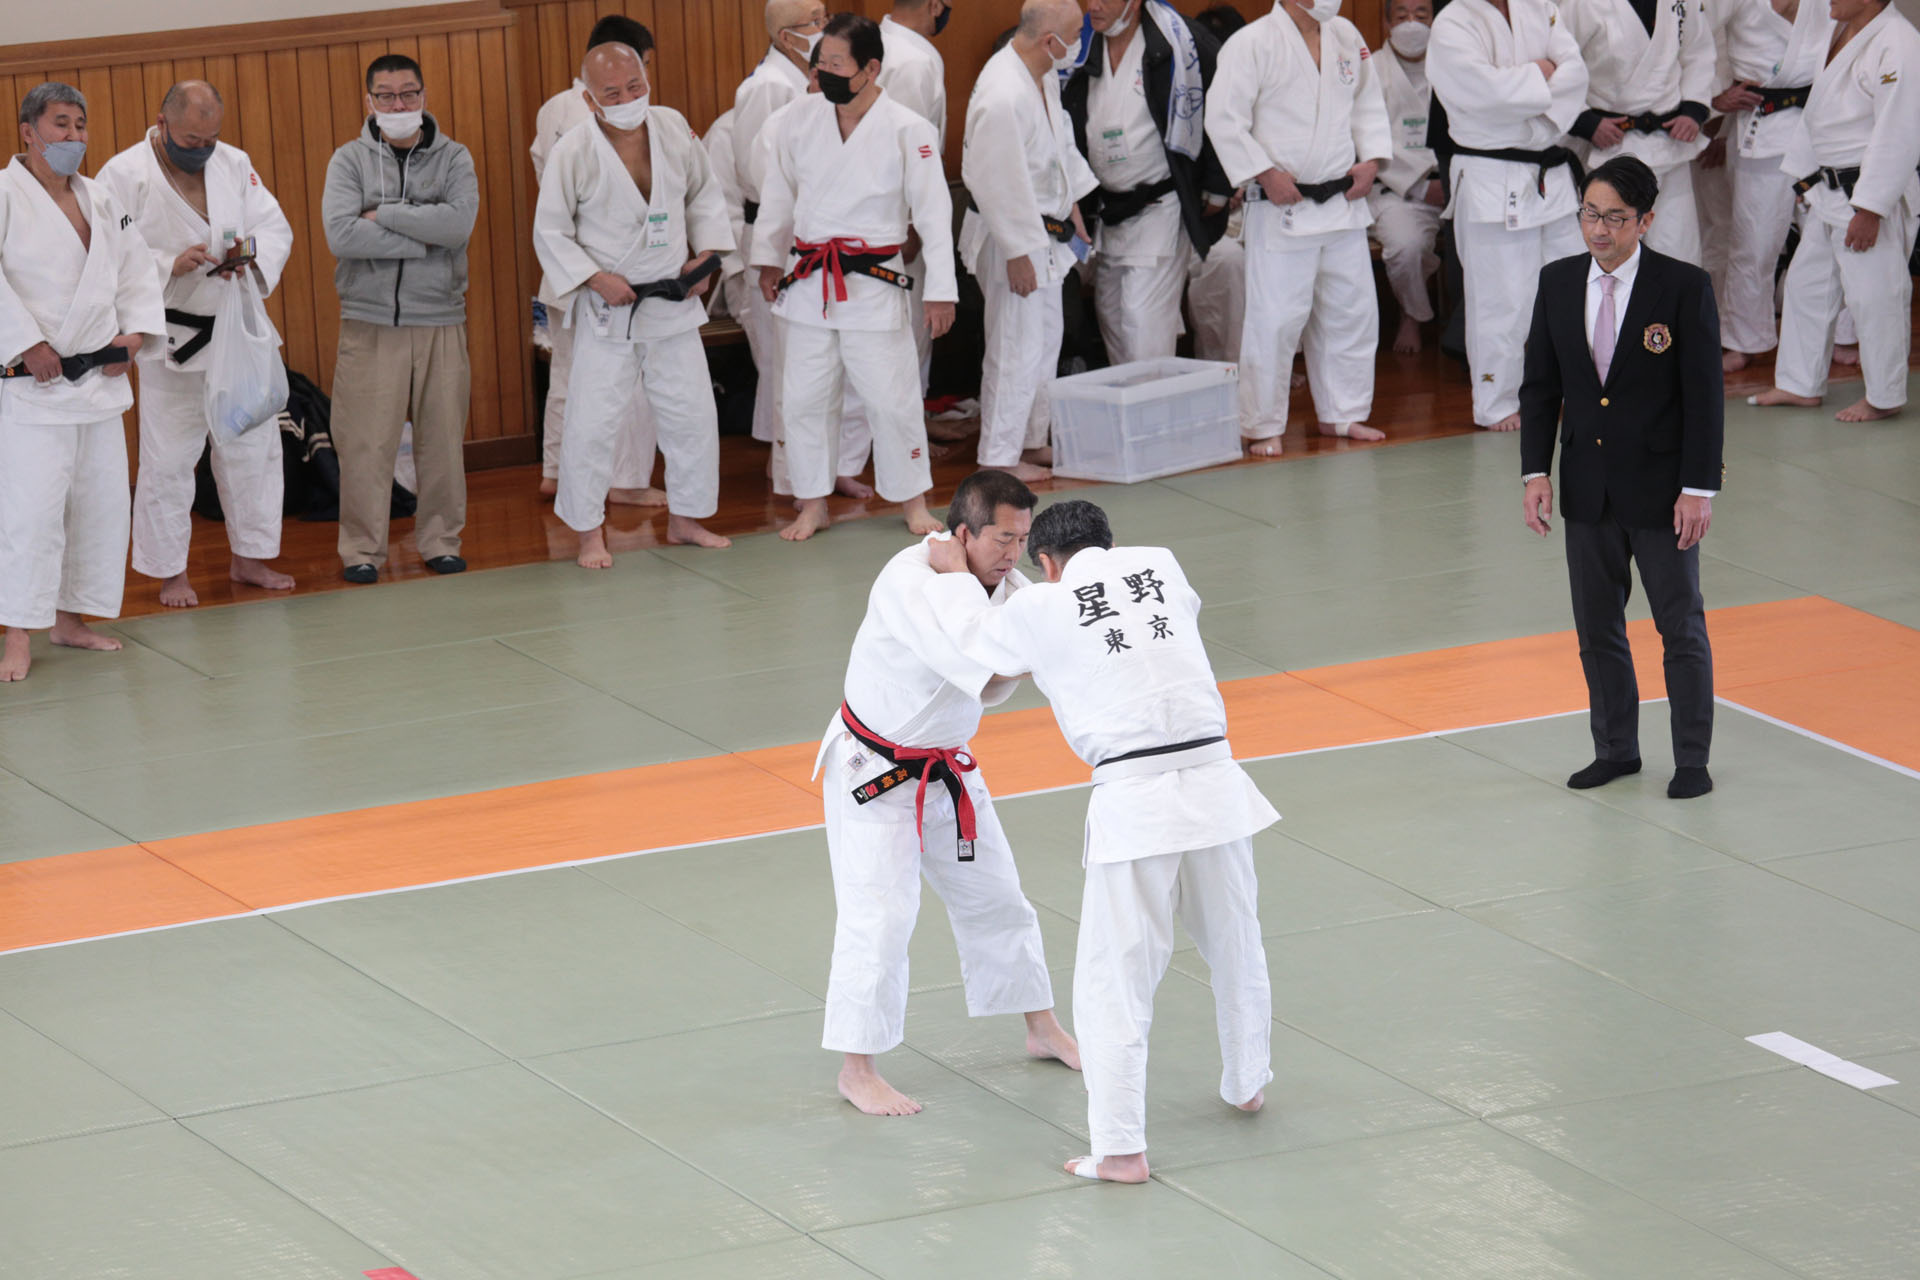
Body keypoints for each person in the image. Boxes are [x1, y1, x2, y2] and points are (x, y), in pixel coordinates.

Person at [923, 498, 1278, 1183]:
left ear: (1046, 562)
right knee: (1236, 941)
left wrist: (953, 576)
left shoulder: (1040, 605)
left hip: (1137, 799)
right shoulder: (1161, 565)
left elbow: (974, 644)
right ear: (1107, 543)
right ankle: (1247, 1082)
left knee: (1113, 980)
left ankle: (1121, 1150)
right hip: (1216, 780)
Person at [815, 469, 1078, 1115]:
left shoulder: (1004, 588)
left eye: (1022, 539)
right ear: (962, 534)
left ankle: (1041, 1028)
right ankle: (856, 1069)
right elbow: (982, 659)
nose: (1014, 553)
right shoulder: (907, 579)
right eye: (1002, 539)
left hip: (948, 772)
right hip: (875, 777)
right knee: (879, 919)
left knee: (1000, 898)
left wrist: (989, 597)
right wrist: (969, 590)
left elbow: (1019, 661)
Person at [1520, 157, 1723, 800]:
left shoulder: (1683, 287)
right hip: (1587, 489)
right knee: (1597, 629)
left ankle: (1691, 760)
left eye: (1614, 217)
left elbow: (1705, 397)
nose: (1598, 230)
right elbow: (1540, 387)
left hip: (1663, 494)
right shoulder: (1557, 281)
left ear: (1646, 220)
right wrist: (1535, 472)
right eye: (1589, 213)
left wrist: (1698, 489)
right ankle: (1615, 750)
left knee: (1679, 628)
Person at [752, 14, 956, 543]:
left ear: (870, 69)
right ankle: (812, 502)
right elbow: (778, 194)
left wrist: (940, 292)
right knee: (804, 399)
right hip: (809, 280)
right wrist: (769, 259)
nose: (825, 74)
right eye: (820, 64)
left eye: (837, 65)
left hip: (873, 282)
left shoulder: (909, 128)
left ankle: (913, 500)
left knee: (890, 398)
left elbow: (933, 215)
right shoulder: (798, 118)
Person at [97, 81, 297, 611]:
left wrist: (247, 255)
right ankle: (171, 572)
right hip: (172, 338)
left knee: (253, 450)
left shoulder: (234, 163)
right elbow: (107, 253)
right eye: (191, 139)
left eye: (211, 138)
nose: (203, 148)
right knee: (168, 460)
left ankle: (251, 557)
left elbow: (273, 228)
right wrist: (169, 264)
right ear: (161, 123)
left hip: (236, 326)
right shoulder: (124, 174)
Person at [534, 42, 734, 566]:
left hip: (671, 299)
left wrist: (706, 258)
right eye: (612, 93)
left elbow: (704, 195)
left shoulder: (672, 127)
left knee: (691, 416)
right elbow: (550, 231)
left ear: (647, 79)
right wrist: (596, 278)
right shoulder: (573, 150)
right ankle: (588, 532)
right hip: (609, 308)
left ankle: (686, 519)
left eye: (634, 86)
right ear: (588, 98)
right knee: (593, 423)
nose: (627, 99)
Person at [0, 82, 166, 683]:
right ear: (29, 131)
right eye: (61, 124)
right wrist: (26, 342)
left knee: (99, 508)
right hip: (33, 386)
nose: (73, 136)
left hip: (98, 382)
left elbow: (135, 269)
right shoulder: (4, 196)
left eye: (79, 125)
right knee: (32, 513)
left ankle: (70, 620)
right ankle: (17, 633)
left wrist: (136, 332)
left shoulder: (101, 197)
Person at [1207, 0, 1394, 456]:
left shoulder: (1346, 35)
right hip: (1282, 206)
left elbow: (1368, 104)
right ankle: (1262, 423)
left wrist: (1372, 159)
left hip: (1342, 202)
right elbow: (1224, 119)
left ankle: (1343, 412)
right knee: (1275, 321)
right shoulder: (1251, 43)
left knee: (1351, 311)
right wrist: (1264, 173)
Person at [322, 54, 478, 585]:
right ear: (369, 102)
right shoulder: (348, 161)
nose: (398, 104)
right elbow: (343, 235)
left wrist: (384, 215)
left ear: (424, 96)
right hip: (369, 323)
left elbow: (457, 226)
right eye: (386, 96)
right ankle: (362, 550)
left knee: (442, 442)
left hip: (440, 319)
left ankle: (441, 542)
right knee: (365, 445)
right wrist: (422, 236)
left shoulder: (454, 157)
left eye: (408, 93)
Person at [1752, 0, 1920, 422]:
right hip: (1828, 189)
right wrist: (1805, 177)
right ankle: (1799, 384)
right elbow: (1820, 114)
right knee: (1805, 286)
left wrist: (1871, 208)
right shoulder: (1840, 31)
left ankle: (1884, 397)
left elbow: (1899, 132)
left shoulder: (1899, 43)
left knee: (1875, 296)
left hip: (1866, 195)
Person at [1427, 0, 1591, 432]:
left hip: (1551, 173)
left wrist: (1530, 96)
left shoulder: (1540, 6)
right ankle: (1497, 402)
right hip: (1490, 175)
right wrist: (1541, 73)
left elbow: (1576, 72)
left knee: (1574, 289)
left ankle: (1577, 391)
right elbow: (1486, 95)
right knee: (1502, 301)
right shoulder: (1452, 22)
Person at [960, 0, 1099, 484]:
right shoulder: (1003, 93)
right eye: (1075, 34)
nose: (1080, 42)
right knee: (1015, 346)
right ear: (1049, 41)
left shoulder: (1040, 75)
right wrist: (1017, 252)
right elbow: (992, 181)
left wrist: (1073, 205)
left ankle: (1030, 439)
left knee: (1044, 341)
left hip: (1045, 231)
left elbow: (1060, 148)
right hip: (1011, 239)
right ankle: (998, 457)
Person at [529, 15, 662, 507]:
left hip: (563, 266)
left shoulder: (552, 108)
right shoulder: (606, 116)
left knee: (567, 374)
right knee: (622, 381)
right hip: (606, 269)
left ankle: (555, 471)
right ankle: (624, 481)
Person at [1063, 0, 1232, 367]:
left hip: (1161, 206)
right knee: (1112, 316)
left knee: (1143, 326)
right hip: (1107, 211)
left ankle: (1154, 402)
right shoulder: (1080, 44)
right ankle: (1136, 403)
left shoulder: (1182, 42)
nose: (1094, 5)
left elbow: (1223, 109)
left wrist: (1219, 186)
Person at [1706, 0, 1832, 374]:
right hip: (1762, 127)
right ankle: (1743, 340)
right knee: (1754, 242)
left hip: (1821, 124)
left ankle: (1840, 335)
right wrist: (1714, 100)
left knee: (1829, 235)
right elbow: (1698, 35)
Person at [734, 0, 829, 467]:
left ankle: (816, 464)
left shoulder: (809, 79)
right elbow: (756, 172)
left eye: (825, 16)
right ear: (786, 36)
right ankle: (788, 468)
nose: (824, 26)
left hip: (811, 234)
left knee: (812, 363)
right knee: (783, 362)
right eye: (815, 21)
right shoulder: (768, 87)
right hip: (777, 232)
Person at [1560, 0, 1717, 266]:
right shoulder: (1581, 4)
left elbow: (1698, 51)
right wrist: (1585, 122)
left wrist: (1693, 109)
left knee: (1679, 254)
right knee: (1611, 255)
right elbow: (1561, 65)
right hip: (1610, 148)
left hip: (1670, 146)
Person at [1371, 0, 1446, 355]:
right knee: (1406, 246)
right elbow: (1364, 137)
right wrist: (1419, 185)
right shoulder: (1369, 70)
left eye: (1422, 14)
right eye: (1402, 15)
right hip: (1396, 189)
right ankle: (1411, 314)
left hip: (1455, 180)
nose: (1412, 23)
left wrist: (1450, 178)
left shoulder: (1453, 63)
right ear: (1387, 23)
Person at [1185, 4, 1251, 365]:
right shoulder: (1184, 98)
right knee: (1226, 261)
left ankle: (1270, 365)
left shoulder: (1259, 89)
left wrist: (1248, 185)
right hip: (1202, 222)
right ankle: (1225, 366)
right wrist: (1219, 193)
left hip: (1257, 211)